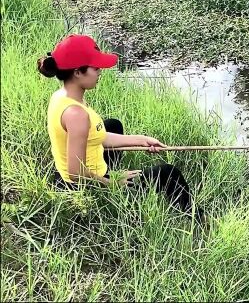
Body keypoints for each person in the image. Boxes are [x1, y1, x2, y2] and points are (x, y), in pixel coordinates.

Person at [38, 34, 200, 217]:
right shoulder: (77, 114)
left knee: (112, 125)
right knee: (168, 173)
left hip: (75, 170)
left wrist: (142, 140)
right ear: (77, 72)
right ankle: (198, 219)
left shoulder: (61, 96)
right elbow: (75, 173)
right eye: (96, 67)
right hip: (83, 185)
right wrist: (113, 181)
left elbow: (99, 137)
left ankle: (114, 174)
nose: (100, 71)